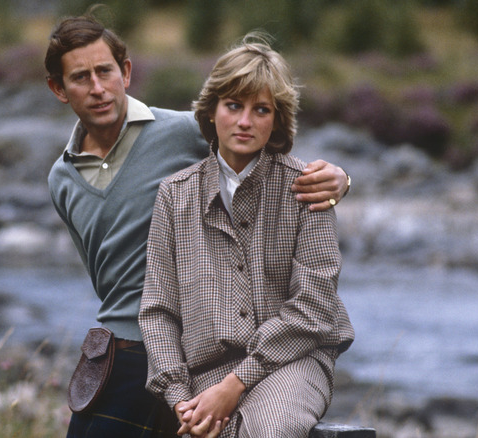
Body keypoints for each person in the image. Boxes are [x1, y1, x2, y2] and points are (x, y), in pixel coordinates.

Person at [45, 15, 351, 438]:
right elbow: (124, 289)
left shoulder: (185, 131)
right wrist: (178, 394)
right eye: (81, 77)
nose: (97, 88)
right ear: (58, 88)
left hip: (270, 356)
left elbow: (314, 301)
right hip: (156, 350)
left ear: (126, 72)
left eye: (105, 72)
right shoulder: (66, 180)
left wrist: (341, 179)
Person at [138, 36, 355, 438]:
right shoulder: (174, 194)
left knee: (271, 432)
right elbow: (158, 311)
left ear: (276, 119)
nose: (244, 121)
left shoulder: (306, 188)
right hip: (205, 373)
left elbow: (314, 306)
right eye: (234, 105)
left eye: (261, 110)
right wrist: (180, 399)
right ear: (211, 111)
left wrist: (235, 385)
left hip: (296, 362)